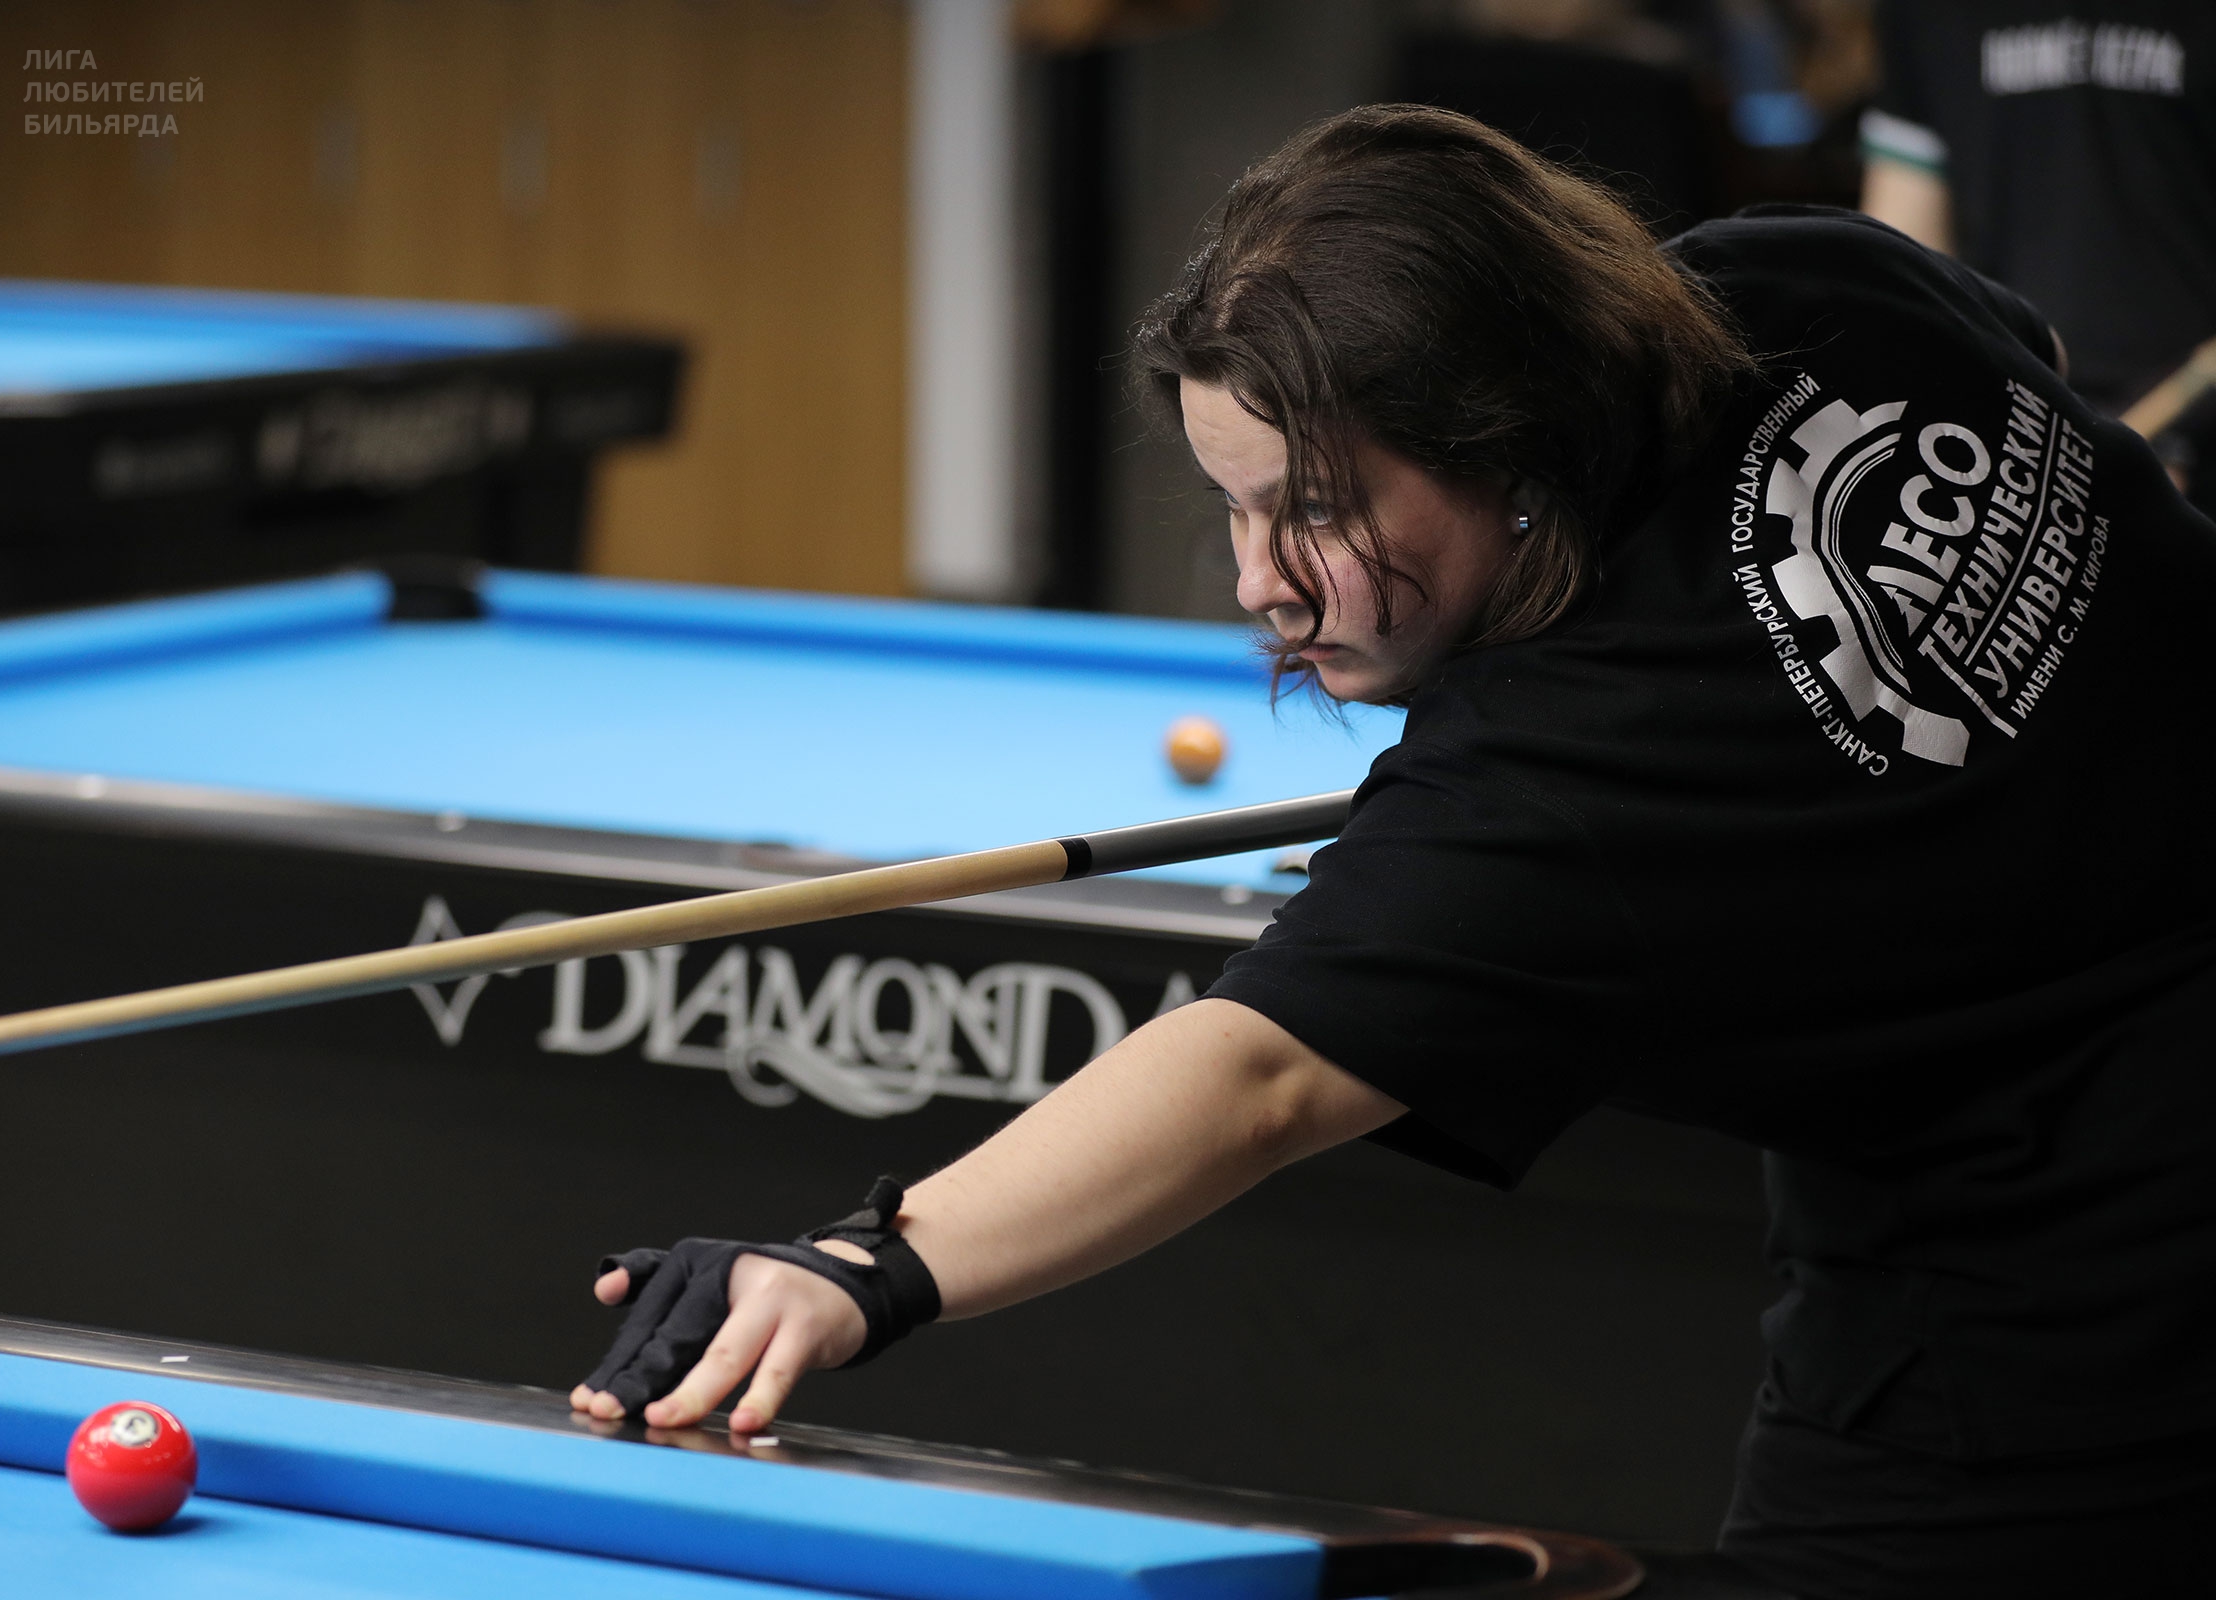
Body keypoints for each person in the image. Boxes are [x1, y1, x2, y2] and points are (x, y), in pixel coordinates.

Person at [570, 107, 2216, 1598]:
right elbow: (2039, 356)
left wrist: (869, 1265)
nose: (1258, 584)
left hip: (2069, 1326)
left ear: (1516, 440)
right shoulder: (1807, 280)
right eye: (1232, 507)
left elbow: (1256, 1077)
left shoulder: (1560, 781)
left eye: (1315, 509)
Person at [1860, 4, 2216, 493]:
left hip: (2192, 437)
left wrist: (2186, 428)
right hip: (2012, 433)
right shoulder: (1925, 13)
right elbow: (1903, 255)